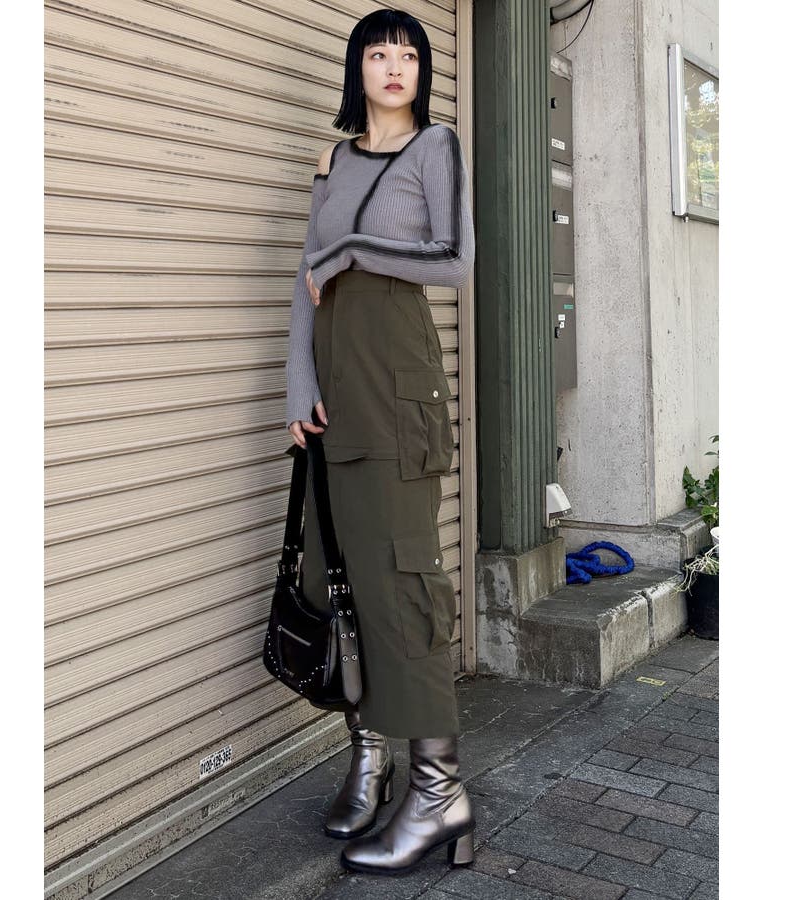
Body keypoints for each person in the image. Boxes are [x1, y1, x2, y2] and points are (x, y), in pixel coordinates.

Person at [284, 8, 475, 875]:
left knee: (402, 584)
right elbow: (308, 277)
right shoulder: (333, 160)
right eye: (377, 53)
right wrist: (299, 384)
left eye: (409, 54)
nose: (394, 66)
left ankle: (439, 792)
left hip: (398, 394)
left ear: (421, 72)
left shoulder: (435, 147)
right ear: (356, 68)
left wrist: (356, 248)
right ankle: (369, 757)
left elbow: (454, 261)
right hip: (335, 397)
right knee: (339, 582)